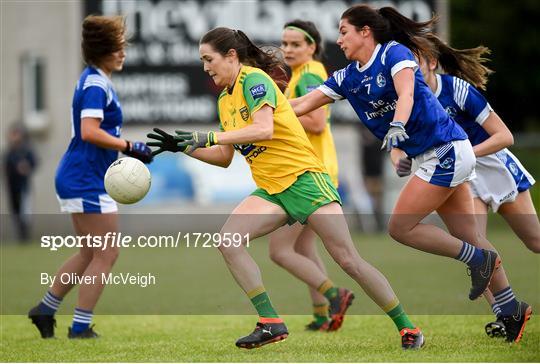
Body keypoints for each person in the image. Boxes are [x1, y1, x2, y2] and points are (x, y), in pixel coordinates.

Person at [147, 26, 424, 349]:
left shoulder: (254, 80)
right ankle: (270, 322)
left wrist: (208, 136)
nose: (206, 67)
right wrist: (183, 147)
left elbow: (263, 129)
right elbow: (223, 157)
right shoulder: (225, 99)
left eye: (209, 59)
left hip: (305, 180)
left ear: (231, 56)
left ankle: (408, 328)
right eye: (202, 60)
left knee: (349, 261)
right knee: (228, 240)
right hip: (272, 190)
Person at [289, 3, 530, 343]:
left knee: (400, 227)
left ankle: (478, 259)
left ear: (365, 32)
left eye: (343, 32)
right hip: (438, 156)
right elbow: (301, 104)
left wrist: (399, 125)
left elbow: (405, 93)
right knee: (471, 236)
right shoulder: (346, 77)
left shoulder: (393, 54)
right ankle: (511, 311)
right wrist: (266, 114)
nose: (338, 39)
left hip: (446, 151)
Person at [28, 15, 152, 339]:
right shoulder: (96, 83)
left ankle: (45, 309)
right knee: (107, 252)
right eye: (119, 48)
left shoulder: (95, 79)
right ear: (104, 51)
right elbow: (89, 131)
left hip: (83, 175)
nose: (123, 53)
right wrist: (129, 145)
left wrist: (126, 147)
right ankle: (80, 327)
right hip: (85, 178)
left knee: (90, 253)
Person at [417, 33, 535, 342]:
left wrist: (464, 152)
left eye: (414, 61)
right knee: (474, 246)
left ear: (431, 62)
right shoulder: (411, 97)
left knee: (535, 240)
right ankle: (507, 315)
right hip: (461, 170)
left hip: (492, 163)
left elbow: (504, 136)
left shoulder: (455, 89)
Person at [267, 19, 349, 332]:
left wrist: (273, 112)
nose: (287, 49)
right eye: (284, 43)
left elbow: (315, 122)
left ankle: (335, 297)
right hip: (316, 171)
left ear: (312, 47)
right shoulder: (303, 74)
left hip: (310, 175)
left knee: (280, 251)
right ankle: (322, 314)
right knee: (303, 248)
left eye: (295, 44)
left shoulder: (311, 73)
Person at [3, 123, 38, 242]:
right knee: (15, 212)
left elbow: (34, 162)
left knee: (25, 213)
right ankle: (20, 237)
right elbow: (7, 167)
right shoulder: (10, 152)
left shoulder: (26, 150)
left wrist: (26, 167)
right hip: (12, 187)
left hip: (23, 187)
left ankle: (25, 237)